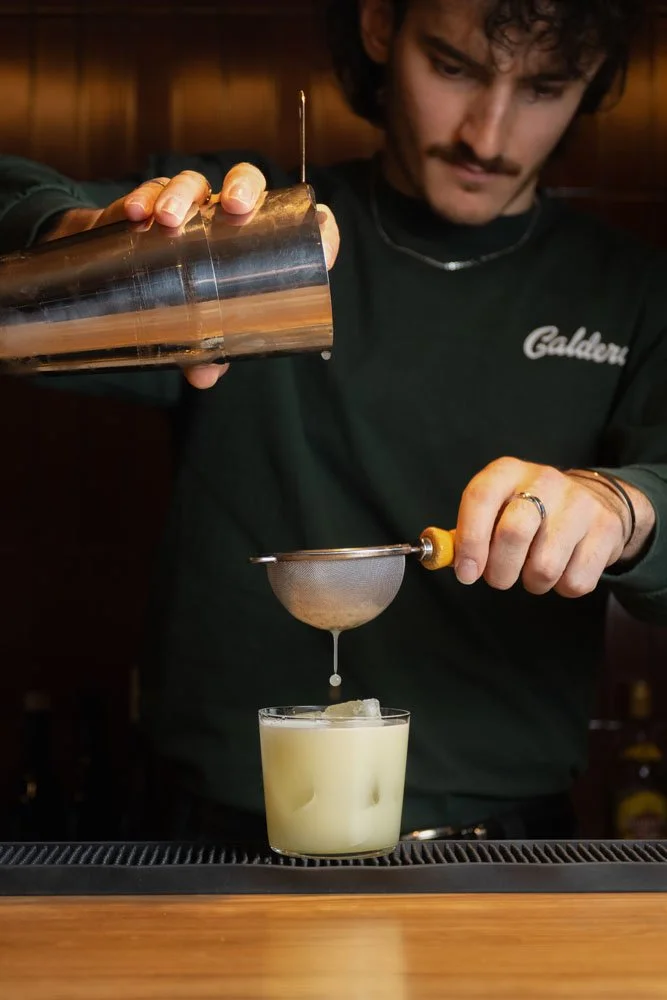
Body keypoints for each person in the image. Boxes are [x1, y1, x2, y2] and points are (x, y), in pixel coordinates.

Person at [1, 0, 665, 843]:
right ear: (381, 27)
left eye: (545, 86)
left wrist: (622, 508)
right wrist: (86, 246)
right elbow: (10, 210)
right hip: (210, 843)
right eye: (453, 67)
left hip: (509, 849)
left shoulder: (632, 292)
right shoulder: (245, 248)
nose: (488, 135)